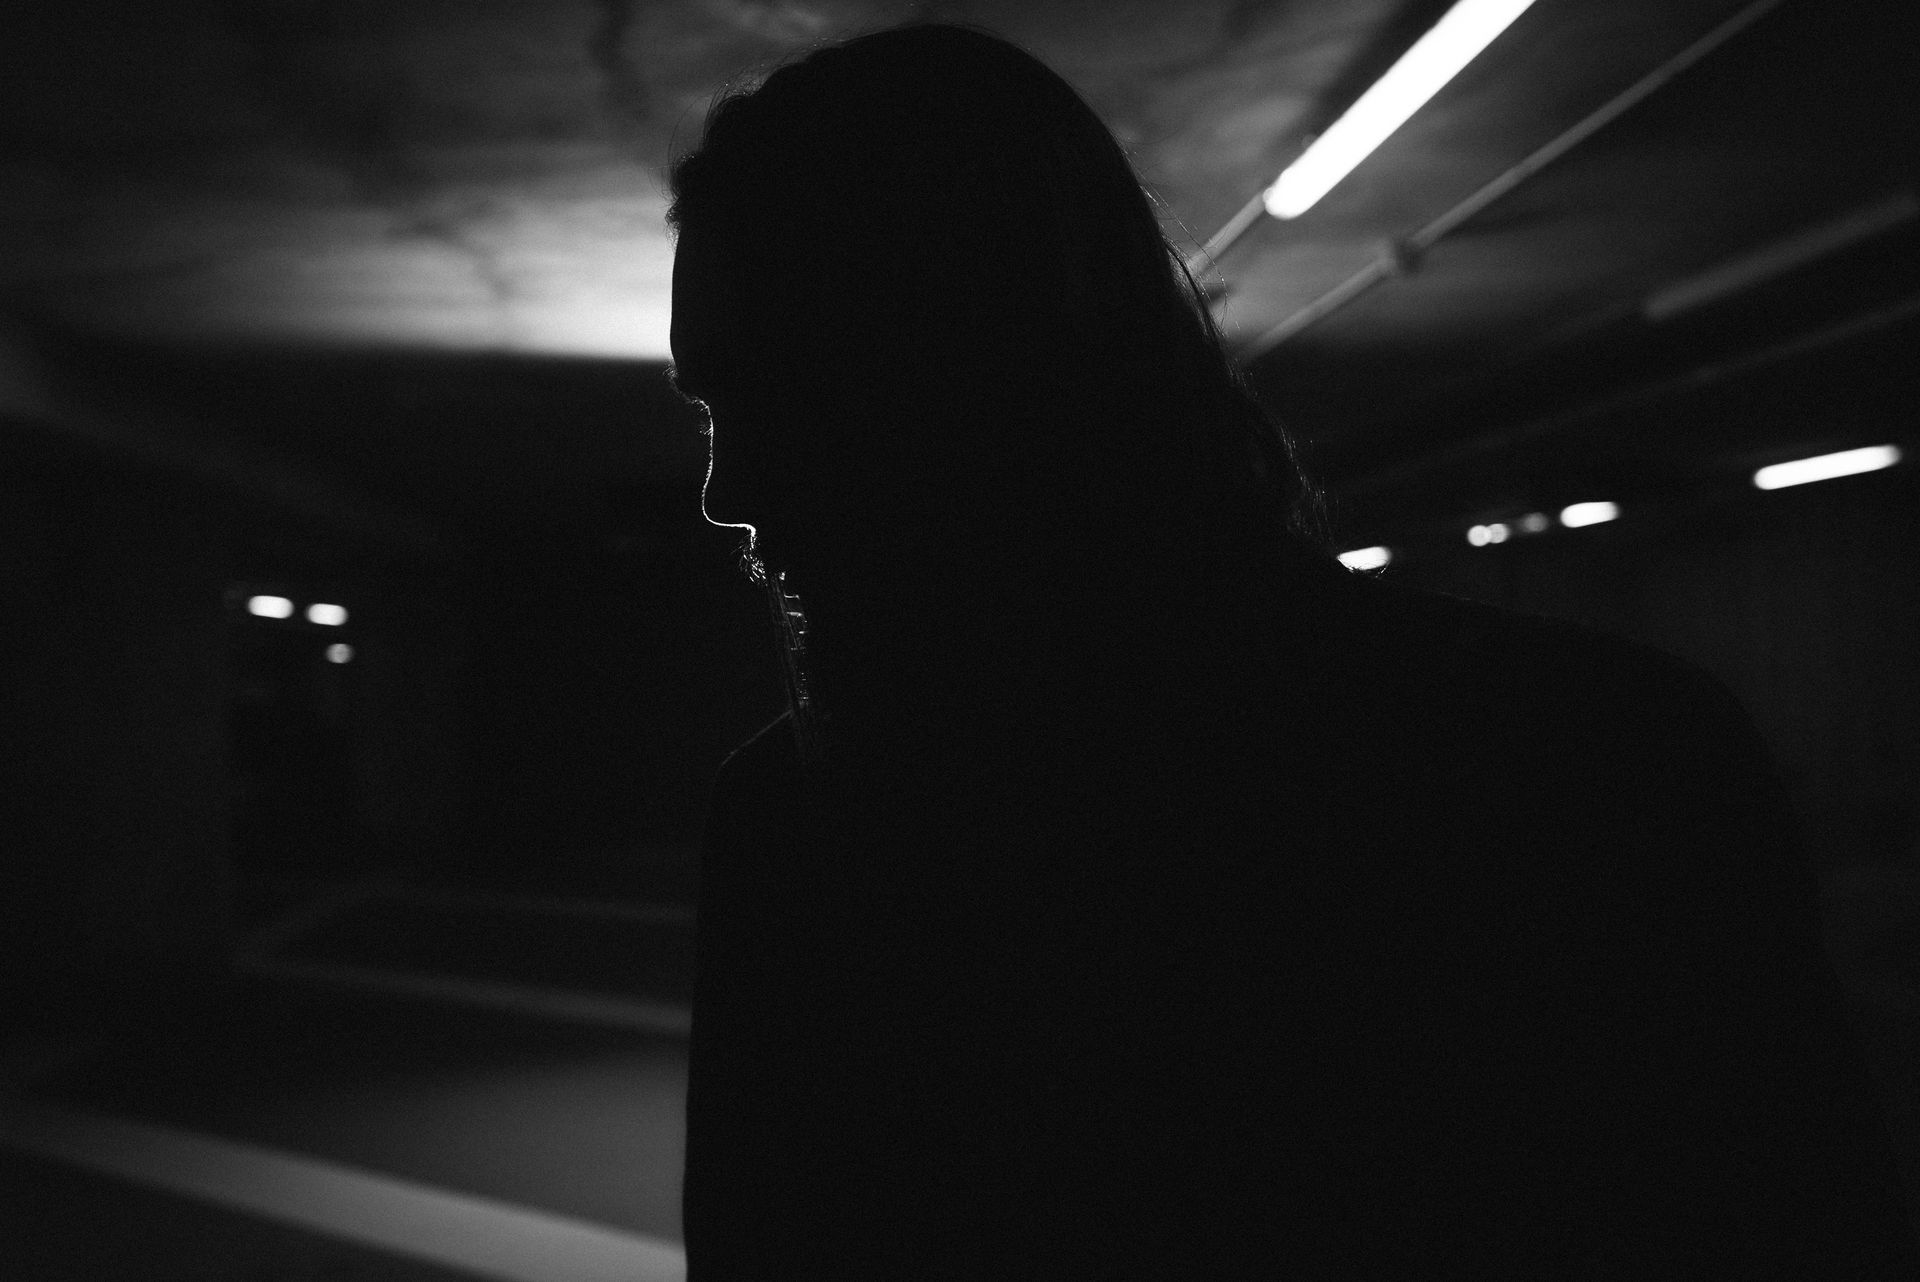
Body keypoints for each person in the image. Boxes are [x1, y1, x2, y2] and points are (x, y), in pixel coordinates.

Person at [666, 22, 1916, 1278]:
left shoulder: (802, 833)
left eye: (780, 392)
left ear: (978, 374)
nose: (729, 489)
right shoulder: (1607, 753)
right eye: (714, 411)